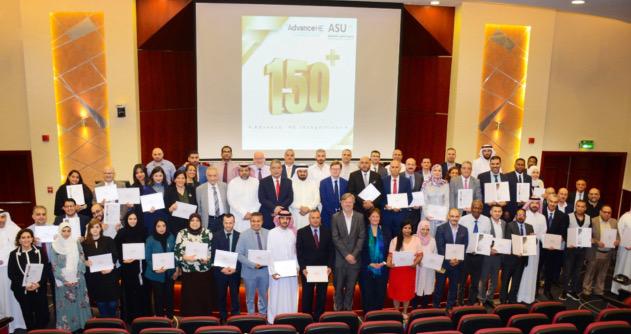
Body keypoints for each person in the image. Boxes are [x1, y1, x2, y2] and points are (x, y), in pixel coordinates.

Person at [50, 222, 92, 331]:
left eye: (68, 231)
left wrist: (77, 275)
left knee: (80, 303)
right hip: (63, 281)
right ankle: (68, 328)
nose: (66, 233)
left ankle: (82, 325)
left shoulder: (76, 242)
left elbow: (82, 257)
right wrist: (64, 279)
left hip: (78, 278)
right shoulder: (54, 245)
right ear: (60, 231)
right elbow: (54, 265)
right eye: (64, 231)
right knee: (66, 306)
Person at [8, 229, 50, 329]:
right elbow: (11, 274)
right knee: (28, 316)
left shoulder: (39, 251)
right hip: (22, 291)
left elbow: (46, 269)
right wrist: (24, 285)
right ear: (19, 240)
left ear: (32, 239)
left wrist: (39, 283)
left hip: (39, 289)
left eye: (28, 237)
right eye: (23, 237)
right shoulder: (13, 254)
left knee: (42, 315)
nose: (26, 239)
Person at [296, 210, 334, 320]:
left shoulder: (327, 231)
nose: (315, 220)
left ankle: (319, 318)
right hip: (307, 270)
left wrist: (330, 267)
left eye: (317, 217)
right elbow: (299, 252)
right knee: (307, 295)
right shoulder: (301, 232)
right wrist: (303, 268)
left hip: (323, 270)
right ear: (309, 219)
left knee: (322, 295)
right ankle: (306, 318)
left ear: (320, 218)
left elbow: (331, 251)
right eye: (313, 217)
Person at [331, 193, 366, 311]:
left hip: (355, 260)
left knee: (351, 288)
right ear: (341, 203)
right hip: (340, 259)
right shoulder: (335, 217)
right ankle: (338, 312)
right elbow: (335, 238)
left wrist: (353, 254)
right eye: (345, 201)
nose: (348, 204)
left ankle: (348, 312)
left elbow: (362, 237)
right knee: (338, 287)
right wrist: (346, 255)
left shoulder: (360, 217)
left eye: (350, 202)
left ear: (354, 203)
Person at [174, 213, 214, 316]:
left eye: (197, 220)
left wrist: (208, 259)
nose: (195, 223)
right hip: (188, 271)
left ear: (201, 222)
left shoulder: (207, 233)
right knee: (189, 297)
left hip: (204, 271)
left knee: (204, 296)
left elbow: (213, 251)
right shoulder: (182, 233)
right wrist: (184, 257)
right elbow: (176, 252)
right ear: (189, 222)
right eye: (192, 220)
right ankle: (189, 320)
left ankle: (205, 319)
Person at [114, 212, 149, 322]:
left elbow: (147, 248)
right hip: (127, 268)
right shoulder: (121, 232)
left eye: (135, 218)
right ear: (126, 220)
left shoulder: (143, 231)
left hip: (140, 267)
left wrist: (140, 257)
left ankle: (142, 317)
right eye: (130, 218)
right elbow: (116, 249)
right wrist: (123, 259)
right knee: (128, 293)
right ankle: (129, 318)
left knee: (141, 293)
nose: (133, 221)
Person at [82, 219, 119, 317]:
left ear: (101, 229)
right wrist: (85, 262)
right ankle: (105, 323)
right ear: (89, 229)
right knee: (101, 304)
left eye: (97, 227)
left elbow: (115, 255)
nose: (95, 229)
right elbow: (81, 259)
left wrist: (110, 267)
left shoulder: (109, 240)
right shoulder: (84, 244)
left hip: (109, 275)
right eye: (92, 227)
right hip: (95, 278)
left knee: (112, 303)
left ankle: (113, 322)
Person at [267, 210, 299, 323]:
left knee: (291, 296)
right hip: (277, 272)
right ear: (278, 219)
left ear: (289, 220)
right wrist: (272, 271)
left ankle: (290, 318)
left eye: (287, 219)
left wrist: (296, 267)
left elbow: (294, 253)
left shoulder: (292, 233)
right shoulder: (272, 233)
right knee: (276, 296)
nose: (285, 221)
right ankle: (273, 320)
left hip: (290, 272)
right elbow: (269, 253)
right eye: (282, 218)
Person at [457, 200, 491, 306]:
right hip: (465, 256)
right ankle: (460, 303)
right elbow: (458, 238)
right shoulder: (463, 220)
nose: (476, 210)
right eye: (474, 207)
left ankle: (471, 304)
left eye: (479, 208)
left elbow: (487, 238)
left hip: (479, 257)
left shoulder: (486, 221)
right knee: (462, 282)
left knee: (475, 283)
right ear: (471, 208)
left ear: (482, 209)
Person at [386, 220, 422, 319]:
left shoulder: (416, 240)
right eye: (405, 228)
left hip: (409, 270)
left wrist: (415, 263)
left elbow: (420, 255)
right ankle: (397, 313)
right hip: (396, 271)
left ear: (411, 229)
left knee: (407, 292)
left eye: (409, 228)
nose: (407, 230)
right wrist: (389, 263)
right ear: (401, 229)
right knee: (396, 292)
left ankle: (405, 311)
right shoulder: (395, 240)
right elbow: (390, 255)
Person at [433, 208, 468, 310]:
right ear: (448, 216)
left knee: (453, 288)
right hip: (443, 265)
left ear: (459, 217)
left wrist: (459, 260)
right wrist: (449, 260)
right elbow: (440, 247)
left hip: (457, 265)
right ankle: (436, 307)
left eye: (456, 216)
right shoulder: (440, 229)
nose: (454, 218)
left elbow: (465, 247)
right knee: (439, 286)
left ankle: (449, 307)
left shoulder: (464, 230)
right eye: (452, 216)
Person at [235, 212, 269, 315]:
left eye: (258, 221)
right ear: (250, 222)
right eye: (253, 221)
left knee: (264, 296)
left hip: (265, 271)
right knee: (249, 298)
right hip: (249, 272)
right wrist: (252, 264)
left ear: (262, 221)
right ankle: (251, 318)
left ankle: (263, 317)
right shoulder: (243, 235)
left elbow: (273, 251)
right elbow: (238, 254)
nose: (255, 223)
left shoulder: (269, 233)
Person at [359, 208, 391, 313]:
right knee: (367, 294)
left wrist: (384, 263)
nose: (375, 218)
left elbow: (389, 250)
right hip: (366, 268)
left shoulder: (386, 231)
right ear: (369, 218)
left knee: (380, 294)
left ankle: (378, 317)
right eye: (373, 216)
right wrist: (369, 263)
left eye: (377, 216)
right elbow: (359, 250)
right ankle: (368, 318)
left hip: (382, 269)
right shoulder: (362, 231)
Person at [583, 205, 619, 297]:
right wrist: (596, 242)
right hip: (596, 251)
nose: (607, 214)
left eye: (609, 212)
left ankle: (599, 291)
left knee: (603, 274)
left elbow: (618, 236)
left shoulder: (614, 222)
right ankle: (586, 291)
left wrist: (617, 241)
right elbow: (587, 236)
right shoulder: (593, 221)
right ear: (600, 212)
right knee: (590, 272)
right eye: (605, 212)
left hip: (608, 253)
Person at [0, 210, 27, 332]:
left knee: (14, 297)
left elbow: (22, 248)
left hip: (13, 271)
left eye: (3, 217)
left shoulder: (14, 229)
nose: (1, 220)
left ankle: (18, 323)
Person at [144, 219, 176, 319]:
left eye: (163, 226)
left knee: (169, 297)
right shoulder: (150, 239)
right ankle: (160, 319)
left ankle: (170, 318)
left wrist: (176, 270)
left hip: (169, 274)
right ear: (155, 227)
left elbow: (175, 254)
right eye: (158, 226)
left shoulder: (171, 237)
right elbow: (147, 258)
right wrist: (155, 268)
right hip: (155, 275)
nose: (161, 228)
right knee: (159, 298)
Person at [211, 214, 241, 322]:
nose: (228, 225)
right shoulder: (216, 236)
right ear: (223, 223)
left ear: (234, 223)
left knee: (235, 297)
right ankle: (223, 318)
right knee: (221, 296)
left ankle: (235, 318)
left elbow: (242, 255)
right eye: (226, 223)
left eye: (230, 223)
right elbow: (213, 255)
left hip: (234, 272)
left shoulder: (239, 236)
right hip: (220, 272)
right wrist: (221, 269)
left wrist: (235, 268)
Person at [500, 209, 533, 304]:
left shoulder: (530, 227)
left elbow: (532, 243)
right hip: (510, 259)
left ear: (525, 217)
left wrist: (533, 239)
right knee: (505, 280)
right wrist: (516, 251)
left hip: (522, 260)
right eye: (519, 214)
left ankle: (512, 300)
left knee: (516, 282)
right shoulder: (510, 225)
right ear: (516, 216)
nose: (521, 216)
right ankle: (503, 300)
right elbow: (508, 241)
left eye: (523, 215)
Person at [517, 199, 547, 304]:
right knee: (523, 270)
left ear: (539, 205)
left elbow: (543, 233)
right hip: (524, 247)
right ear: (529, 204)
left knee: (533, 271)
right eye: (533, 203)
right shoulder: (524, 215)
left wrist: (547, 242)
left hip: (536, 247)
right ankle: (519, 296)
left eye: (537, 203)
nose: (535, 205)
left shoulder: (542, 217)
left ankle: (530, 297)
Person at [560, 200, 591, 301]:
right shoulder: (568, 216)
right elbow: (563, 231)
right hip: (570, 249)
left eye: (582, 206)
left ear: (585, 208)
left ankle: (573, 291)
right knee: (567, 271)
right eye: (578, 206)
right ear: (575, 207)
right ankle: (564, 291)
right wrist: (569, 241)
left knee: (577, 271)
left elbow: (589, 232)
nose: (580, 208)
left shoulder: (588, 218)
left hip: (582, 250)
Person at [540, 194, 568, 300]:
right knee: (537, 269)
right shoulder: (540, 213)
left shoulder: (563, 216)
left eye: (555, 202)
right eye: (551, 201)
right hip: (541, 247)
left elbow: (564, 232)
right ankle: (534, 290)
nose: (553, 204)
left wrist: (558, 241)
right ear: (547, 201)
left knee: (550, 271)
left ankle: (547, 290)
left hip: (554, 248)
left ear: (558, 203)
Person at [478, 205, 506, 307]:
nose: (497, 213)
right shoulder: (486, 222)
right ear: (490, 212)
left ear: (502, 213)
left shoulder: (504, 223)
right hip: (487, 255)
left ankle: (489, 298)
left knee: (494, 280)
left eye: (499, 211)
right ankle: (481, 299)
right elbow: (481, 238)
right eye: (495, 211)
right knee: (484, 279)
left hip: (498, 256)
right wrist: (488, 249)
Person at [258, 160, 293, 230]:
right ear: (270, 169)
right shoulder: (263, 182)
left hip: (283, 216)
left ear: (282, 169)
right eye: (273, 168)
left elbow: (290, 198)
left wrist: (279, 209)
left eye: (278, 168)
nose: (276, 170)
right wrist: (274, 208)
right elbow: (262, 198)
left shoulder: (288, 181)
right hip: (267, 215)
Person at [227, 164, 261, 233]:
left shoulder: (256, 182)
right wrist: (243, 213)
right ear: (239, 171)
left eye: (246, 170)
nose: (244, 172)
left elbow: (259, 199)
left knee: (251, 236)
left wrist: (252, 212)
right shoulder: (233, 182)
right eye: (242, 170)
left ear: (249, 171)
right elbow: (231, 200)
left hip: (252, 216)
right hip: (238, 216)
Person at [382, 160, 412, 236]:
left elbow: (409, 197)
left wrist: (400, 206)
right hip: (387, 215)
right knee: (387, 238)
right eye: (392, 167)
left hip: (401, 215)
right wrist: (385, 205)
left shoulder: (406, 181)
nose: (394, 169)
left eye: (396, 167)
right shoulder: (383, 180)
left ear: (400, 168)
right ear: (389, 168)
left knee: (399, 238)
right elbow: (380, 197)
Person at [196, 166, 230, 233]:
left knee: (222, 241)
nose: (212, 178)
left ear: (218, 176)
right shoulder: (199, 189)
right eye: (210, 176)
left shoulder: (225, 186)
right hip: (208, 221)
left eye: (215, 175)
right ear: (206, 176)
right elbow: (199, 209)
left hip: (223, 220)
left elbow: (228, 204)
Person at [165, 170, 197, 234]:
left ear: (185, 179)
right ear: (174, 180)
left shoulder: (191, 189)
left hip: (189, 223)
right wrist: (170, 209)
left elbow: (196, 204)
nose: (181, 180)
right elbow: (165, 208)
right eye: (178, 178)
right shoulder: (169, 191)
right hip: (175, 223)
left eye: (183, 178)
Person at [422, 164, 450, 236]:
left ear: (441, 172)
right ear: (431, 172)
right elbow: (424, 201)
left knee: (440, 236)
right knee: (429, 236)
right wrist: (426, 214)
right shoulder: (426, 184)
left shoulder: (445, 184)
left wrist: (445, 214)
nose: (437, 172)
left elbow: (447, 201)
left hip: (441, 216)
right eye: (435, 170)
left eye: (439, 170)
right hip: (429, 216)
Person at [414, 220, 437, 308]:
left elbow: (435, 254)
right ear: (419, 229)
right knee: (416, 287)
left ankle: (424, 308)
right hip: (417, 268)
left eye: (427, 229)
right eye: (422, 229)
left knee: (427, 288)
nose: (425, 231)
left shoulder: (432, 240)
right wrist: (417, 261)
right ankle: (414, 308)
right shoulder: (414, 238)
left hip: (429, 269)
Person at [290, 166, 320, 230]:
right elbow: (289, 199)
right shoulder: (291, 183)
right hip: (296, 213)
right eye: (300, 171)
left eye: (304, 171)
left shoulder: (313, 183)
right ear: (297, 172)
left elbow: (317, 199)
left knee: (310, 234)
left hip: (310, 213)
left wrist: (309, 208)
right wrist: (300, 207)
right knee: (296, 233)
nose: (302, 173)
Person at [320, 161, 348, 229]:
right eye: (333, 169)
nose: (335, 171)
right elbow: (324, 200)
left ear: (340, 170)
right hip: (327, 215)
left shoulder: (345, 182)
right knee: (327, 236)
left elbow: (346, 199)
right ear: (330, 170)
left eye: (337, 169)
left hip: (342, 215)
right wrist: (333, 213)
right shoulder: (323, 183)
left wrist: (340, 212)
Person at [141, 166, 169, 231]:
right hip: (152, 218)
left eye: (160, 176)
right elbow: (144, 207)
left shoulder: (168, 188)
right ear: (152, 177)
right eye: (156, 176)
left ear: (163, 176)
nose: (158, 178)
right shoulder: (147, 189)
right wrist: (148, 210)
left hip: (165, 217)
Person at [612, 210, 631, 295]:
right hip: (625, 248)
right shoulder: (625, 216)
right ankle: (617, 289)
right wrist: (625, 243)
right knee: (622, 268)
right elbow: (619, 231)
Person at [403, 158, 423, 230]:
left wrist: (420, 204)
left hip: (415, 212)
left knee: (414, 231)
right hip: (403, 211)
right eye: (408, 164)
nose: (410, 166)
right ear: (405, 165)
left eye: (413, 164)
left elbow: (421, 191)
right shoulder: (400, 176)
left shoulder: (420, 177)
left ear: (415, 166)